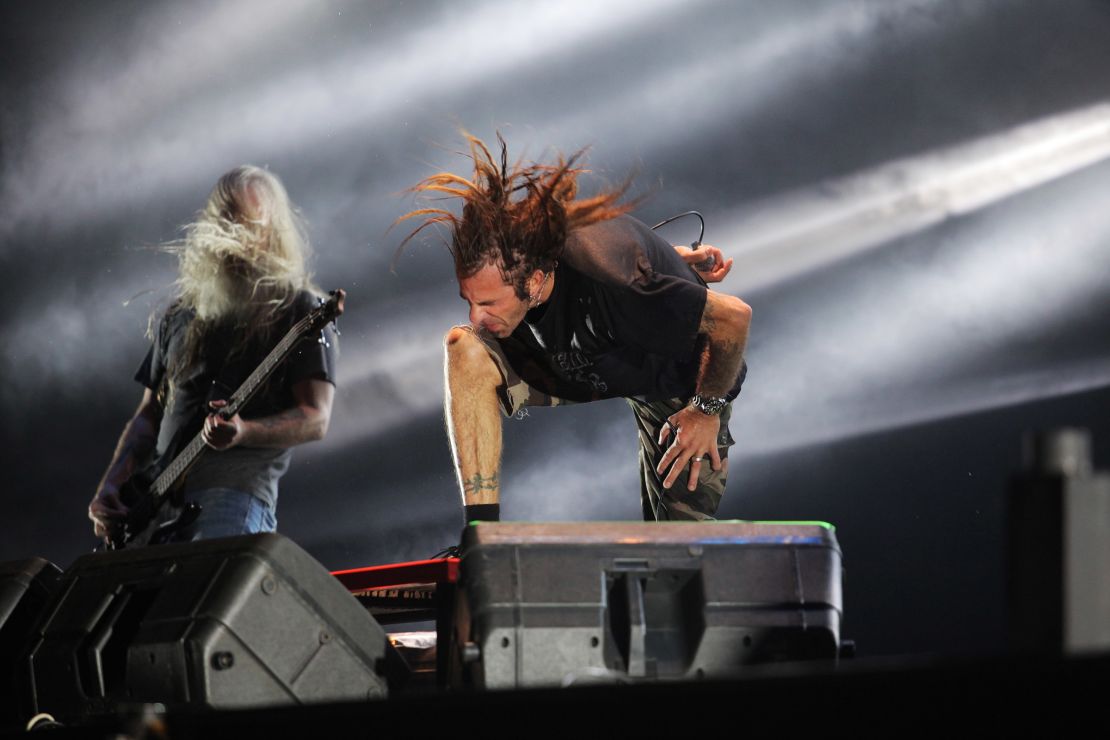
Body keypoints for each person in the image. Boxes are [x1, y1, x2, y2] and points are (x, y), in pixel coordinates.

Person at [401, 135, 750, 524]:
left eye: (487, 303)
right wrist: (670, 261)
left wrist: (706, 410)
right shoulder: (530, 250)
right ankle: (481, 533)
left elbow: (734, 317)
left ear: (533, 283)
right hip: (584, 362)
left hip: (678, 384)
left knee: (680, 546)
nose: (477, 316)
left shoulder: (620, 282)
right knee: (462, 347)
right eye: (469, 300)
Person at [88, 165, 338, 544]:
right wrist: (110, 485)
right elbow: (148, 414)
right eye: (226, 221)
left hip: (230, 496)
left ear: (271, 230)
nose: (236, 234)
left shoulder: (298, 308)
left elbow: (316, 418)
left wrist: (243, 432)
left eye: (247, 222)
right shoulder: (180, 314)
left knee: (200, 602)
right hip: (149, 506)